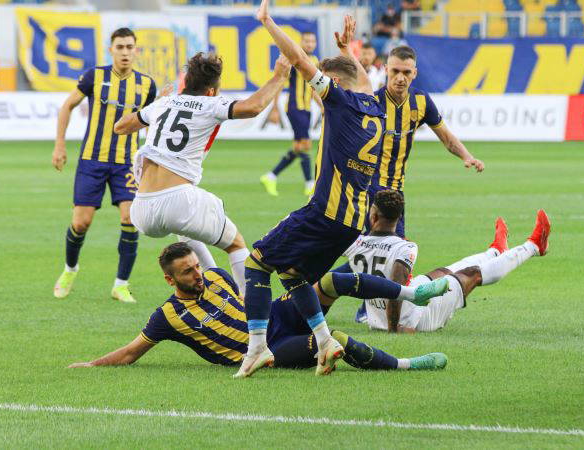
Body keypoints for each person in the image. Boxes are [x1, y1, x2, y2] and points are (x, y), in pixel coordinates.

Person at [235, 8, 391, 378]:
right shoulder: (374, 105)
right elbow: (361, 78)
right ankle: (324, 341)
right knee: (293, 273)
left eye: (318, 85)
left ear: (333, 82)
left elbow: (299, 59)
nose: (313, 90)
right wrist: (348, 50)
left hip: (323, 212)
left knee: (256, 263)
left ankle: (257, 347)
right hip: (352, 222)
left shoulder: (339, 100)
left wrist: (268, 23)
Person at [67, 243, 449, 372]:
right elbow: (131, 352)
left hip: (274, 319)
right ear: (170, 280)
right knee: (334, 339)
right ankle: (407, 364)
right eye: (187, 272)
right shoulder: (168, 316)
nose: (198, 275)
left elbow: (251, 298)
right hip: (268, 349)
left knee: (332, 281)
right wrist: (91, 365)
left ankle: (411, 294)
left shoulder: (216, 277)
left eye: (196, 267)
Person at [112, 52, 292, 294]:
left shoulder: (163, 103)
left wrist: (155, 106)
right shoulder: (211, 104)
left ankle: (215, 290)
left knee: (186, 232)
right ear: (211, 90)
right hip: (177, 200)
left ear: (185, 82)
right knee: (236, 244)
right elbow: (254, 106)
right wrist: (279, 76)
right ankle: (250, 310)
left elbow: (120, 126)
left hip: (141, 209)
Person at [325, 190, 552, 333]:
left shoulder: (355, 243)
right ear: (399, 218)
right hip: (412, 319)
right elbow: (395, 288)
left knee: (443, 272)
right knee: (472, 275)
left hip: (379, 318)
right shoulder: (404, 247)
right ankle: (534, 246)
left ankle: (495, 251)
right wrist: (395, 329)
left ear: (373, 216)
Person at [51, 28, 160, 303]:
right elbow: (67, 106)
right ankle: (70, 269)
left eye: (129, 47)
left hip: (127, 163)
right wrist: (60, 145)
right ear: (111, 50)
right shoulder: (94, 77)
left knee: (130, 219)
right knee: (81, 223)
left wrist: (153, 156)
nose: (125, 52)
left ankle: (121, 285)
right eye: (120, 47)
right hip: (92, 160)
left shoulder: (147, 85)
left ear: (136, 51)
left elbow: (152, 122)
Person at [368, 45, 484, 238]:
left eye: (406, 72)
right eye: (395, 71)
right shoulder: (372, 102)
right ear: (386, 70)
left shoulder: (421, 101)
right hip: (370, 188)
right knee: (381, 248)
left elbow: (446, 138)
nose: (400, 78)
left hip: (396, 191)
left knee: (394, 248)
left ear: (414, 73)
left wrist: (467, 156)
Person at [260, 31, 322, 197]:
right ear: (301, 42)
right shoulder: (295, 59)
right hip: (295, 107)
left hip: (307, 109)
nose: (309, 44)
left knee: (298, 147)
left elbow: (314, 88)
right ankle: (309, 184)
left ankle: (270, 176)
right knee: (306, 144)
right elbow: (280, 83)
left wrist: (322, 107)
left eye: (312, 41)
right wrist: (274, 108)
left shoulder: (315, 61)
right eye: (306, 41)